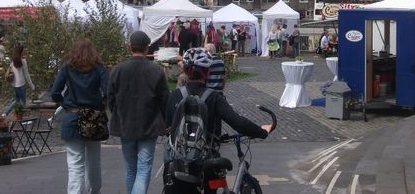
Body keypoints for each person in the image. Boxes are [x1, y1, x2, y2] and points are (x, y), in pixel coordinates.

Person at [163, 48, 271, 194]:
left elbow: (168, 126)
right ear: (207, 72)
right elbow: (238, 123)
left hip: (176, 166)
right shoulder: (214, 97)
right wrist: (262, 132)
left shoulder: (174, 96)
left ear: (185, 71)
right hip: (206, 164)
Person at [109, 31, 168, 194]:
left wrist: (117, 113)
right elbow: (164, 99)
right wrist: (166, 122)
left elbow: (110, 99)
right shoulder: (156, 71)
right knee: (143, 167)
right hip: (148, 123)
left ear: (130, 47)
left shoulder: (117, 70)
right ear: (147, 48)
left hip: (125, 123)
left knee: (130, 168)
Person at [50, 38, 109, 194]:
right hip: (93, 117)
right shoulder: (98, 68)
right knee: (94, 161)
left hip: (72, 116)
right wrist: (101, 103)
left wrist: (64, 103)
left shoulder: (67, 68)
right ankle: (93, 191)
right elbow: (108, 90)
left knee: (75, 163)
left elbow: (55, 92)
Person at [3, 44, 35, 115]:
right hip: (22, 84)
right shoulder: (23, 62)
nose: (25, 51)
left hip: (15, 84)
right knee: (23, 101)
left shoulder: (13, 62)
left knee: (16, 100)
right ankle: (22, 119)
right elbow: (27, 75)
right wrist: (32, 86)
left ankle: (5, 113)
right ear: (21, 52)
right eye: (23, 50)